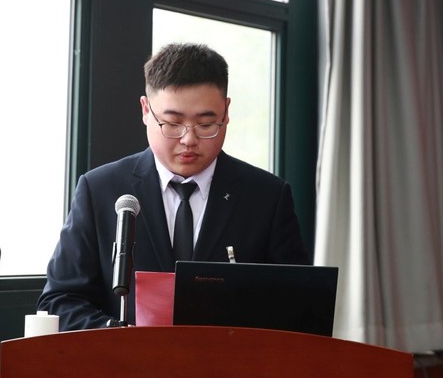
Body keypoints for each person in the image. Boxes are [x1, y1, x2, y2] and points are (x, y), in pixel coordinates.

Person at [38, 42, 310, 330]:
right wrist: (119, 337)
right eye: (172, 124)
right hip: (126, 357)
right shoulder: (100, 190)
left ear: (226, 111)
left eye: (206, 125)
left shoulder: (267, 197)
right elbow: (60, 301)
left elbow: (299, 306)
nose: (189, 139)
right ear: (146, 110)